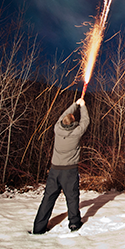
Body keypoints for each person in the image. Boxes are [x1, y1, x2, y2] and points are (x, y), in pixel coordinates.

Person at [31, 97, 90, 234]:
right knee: (72, 198)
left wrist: (75, 104)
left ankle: (38, 228)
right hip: (69, 172)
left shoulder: (57, 129)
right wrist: (82, 106)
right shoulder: (76, 133)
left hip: (54, 171)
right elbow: (85, 121)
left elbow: (63, 115)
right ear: (73, 123)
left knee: (48, 199)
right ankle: (74, 224)